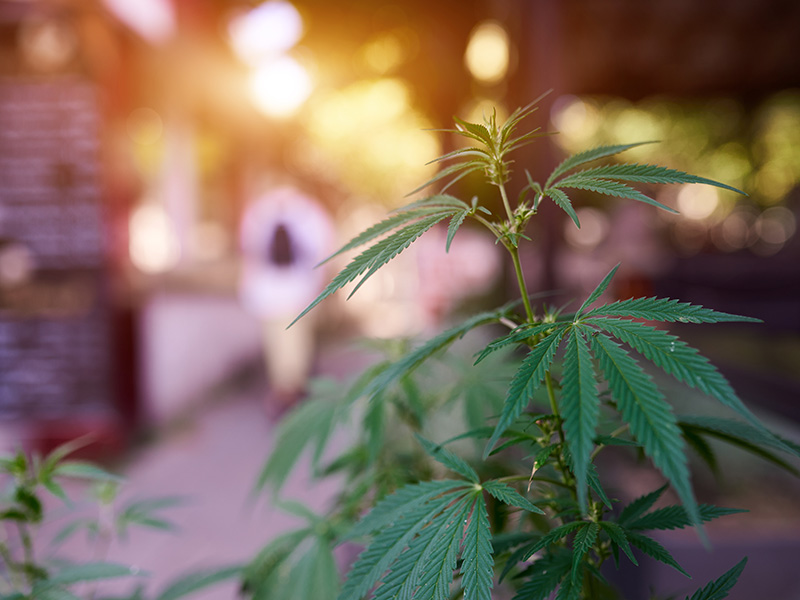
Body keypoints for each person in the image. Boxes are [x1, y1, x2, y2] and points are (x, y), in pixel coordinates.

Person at [238, 186, 334, 415]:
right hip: (279, 293)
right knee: (281, 344)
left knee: (294, 345)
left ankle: (290, 390)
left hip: (293, 292)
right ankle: (285, 390)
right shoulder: (272, 216)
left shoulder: (301, 216)